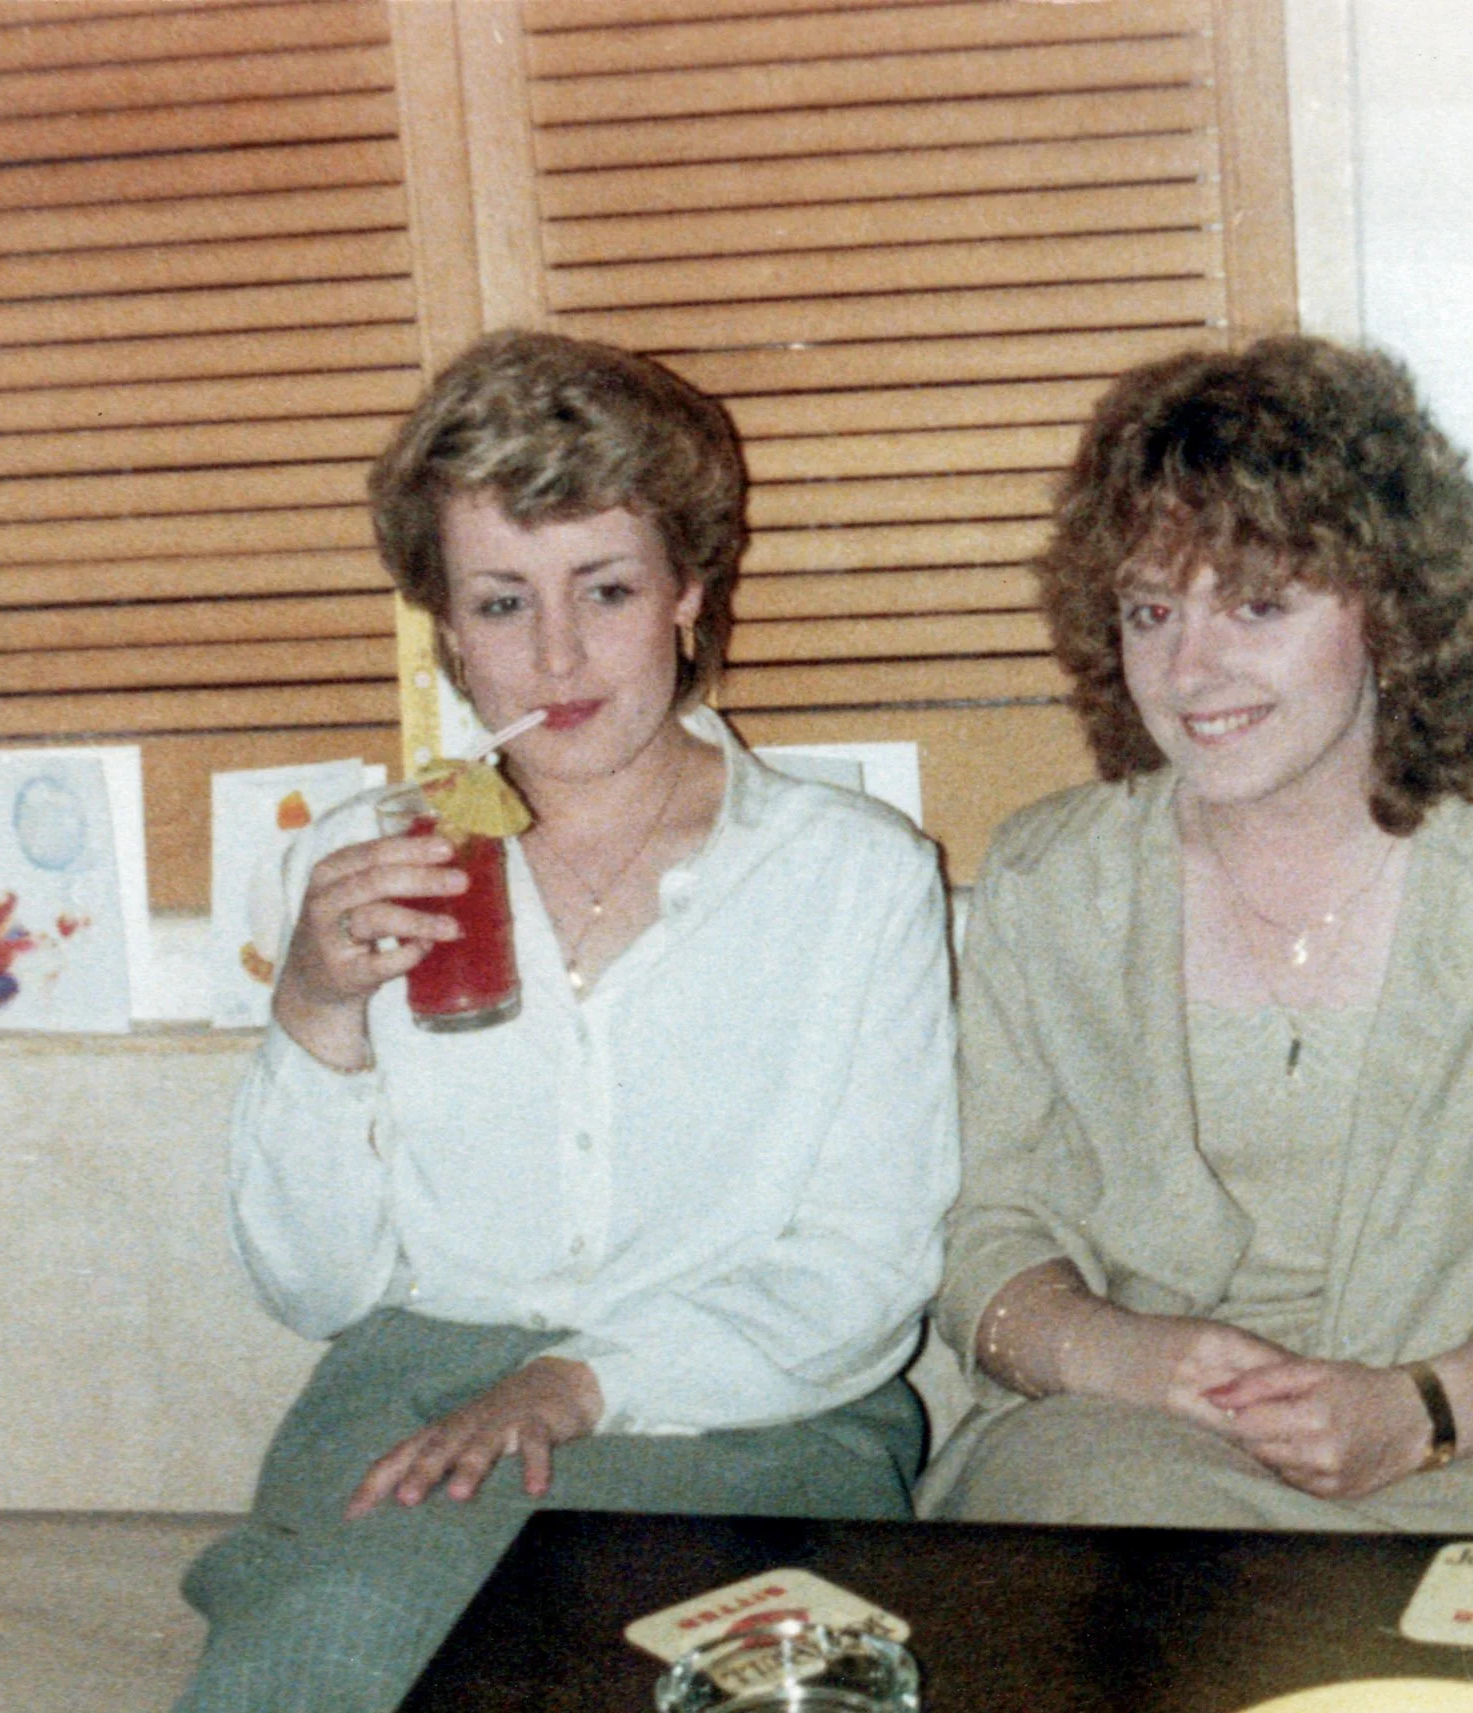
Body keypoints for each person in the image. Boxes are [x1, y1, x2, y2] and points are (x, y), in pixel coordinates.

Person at [177, 330, 958, 1711]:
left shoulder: (850, 874)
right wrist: (313, 1010)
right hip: (425, 1411)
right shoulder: (367, 863)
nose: (555, 652)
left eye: (605, 589)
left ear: (689, 595)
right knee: (323, 1656)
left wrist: (576, 1383)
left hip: (756, 1419)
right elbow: (314, 1291)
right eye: (499, 603)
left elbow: (863, 1272)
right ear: (444, 631)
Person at [917, 336, 1473, 1535]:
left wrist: (1423, 1410)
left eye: (1256, 605)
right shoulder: (1050, 878)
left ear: (1392, 609)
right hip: (1125, 1452)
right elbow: (985, 1229)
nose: (1188, 669)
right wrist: (1112, 1353)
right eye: (1149, 611)